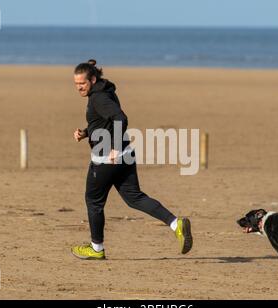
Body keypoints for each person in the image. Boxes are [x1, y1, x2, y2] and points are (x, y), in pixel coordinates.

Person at [71, 59, 192, 260]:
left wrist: (114, 148)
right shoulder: (106, 91)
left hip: (106, 160)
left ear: (92, 79)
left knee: (93, 201)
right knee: (135, 197)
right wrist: (86, 133)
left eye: (82, 84)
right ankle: (175, 224)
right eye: (76, 85)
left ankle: (96, 248)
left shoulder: (98, 98)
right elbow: (106, 121)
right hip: (126, 155)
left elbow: (120, 118)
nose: (79, 88)